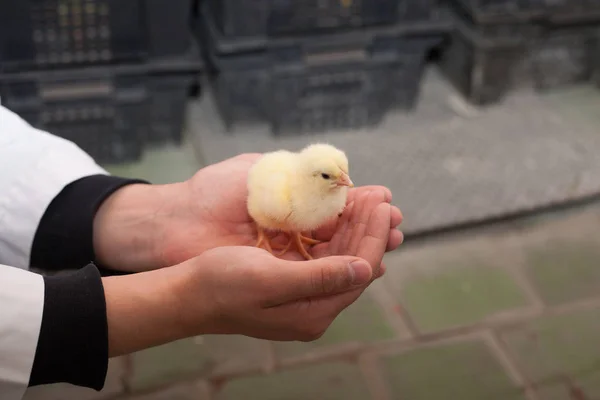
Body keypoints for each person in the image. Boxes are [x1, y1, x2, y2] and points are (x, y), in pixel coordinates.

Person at [0, 104, 403, 400]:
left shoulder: (313, 188)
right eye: (333, 176)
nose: (345, 182)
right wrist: (190, 301)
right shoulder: (287, 192)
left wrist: (158, 215)